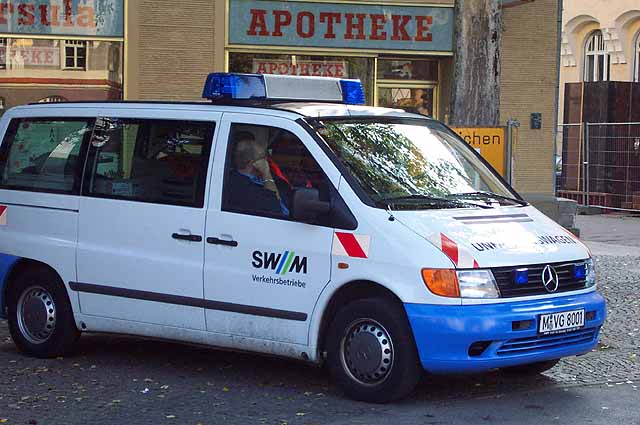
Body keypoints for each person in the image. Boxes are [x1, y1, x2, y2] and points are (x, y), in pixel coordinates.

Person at [227, 131, 289, 217]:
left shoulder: (257, 178)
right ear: (253, 162)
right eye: (263, 157)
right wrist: (267, 174)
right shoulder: (241, 186)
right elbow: (278, 211)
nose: (267, 160)